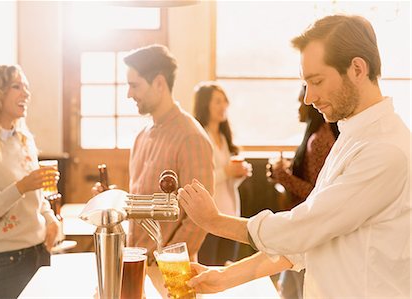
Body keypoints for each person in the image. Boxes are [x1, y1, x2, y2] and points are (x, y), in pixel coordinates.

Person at [177, 15, 410, 298]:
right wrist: (226, 277)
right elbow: (307, 242)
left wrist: (215, 222)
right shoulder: (351, 135)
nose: (309, 98)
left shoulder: (385, 150)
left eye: (317, 81)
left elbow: (304, 229)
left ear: (358, 69)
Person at [93, 45, 214, 264]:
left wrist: (166, 263)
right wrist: (113, 199)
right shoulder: (142, 136)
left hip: (171, 273)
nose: (129, 94)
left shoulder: (191, 137)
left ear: (159, 83)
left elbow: (199, 219)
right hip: (135, 265)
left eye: (134, 85)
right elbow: (140, 203)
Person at [0, 65, 61, 299]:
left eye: (26, 87)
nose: (26, 93)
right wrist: (20, 187)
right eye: (16, 86)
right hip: (3, 265)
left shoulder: (25, 141)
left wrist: (50, 219)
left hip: (39, 254)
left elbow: (38, 197)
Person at [271, 85, 339, 299]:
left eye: (302, 102)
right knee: (288, 290)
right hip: (299, 231)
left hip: (306, 233)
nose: (299, 107)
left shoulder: (319, 140)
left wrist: (281, 175)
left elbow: (315, 193)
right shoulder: (316, 136)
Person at [192, 82, 252, 266]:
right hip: (209, 217)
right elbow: (199, 180)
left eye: (224, 101)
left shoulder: (225, 138)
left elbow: (226, 184)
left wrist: (238, 175)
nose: (223, 106)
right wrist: (227, 171)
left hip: (230, 216)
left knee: (226, 269)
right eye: (217, 101)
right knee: (209, 268)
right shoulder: (199, 137)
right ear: (205, 104)